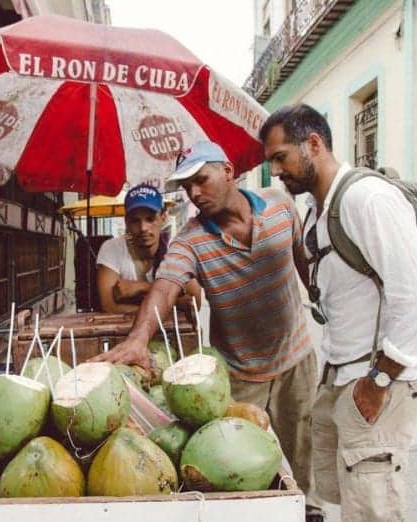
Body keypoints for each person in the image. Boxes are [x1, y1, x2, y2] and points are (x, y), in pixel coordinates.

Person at [93, 140, 324, 520]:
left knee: (300, 459)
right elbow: (165, 287)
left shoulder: (281, 207)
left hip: (295, 361)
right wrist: (137, 340)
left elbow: (300, 255)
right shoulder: (190, 240)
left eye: (201, 180)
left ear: (229, 171)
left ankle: (309, 512)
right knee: (240, 468)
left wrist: (319, 295)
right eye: (187, 188)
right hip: (237, 374)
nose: (195, 194)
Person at [260, 104, 417, 521]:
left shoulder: (367, 199)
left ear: (314, 144)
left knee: (373, 509)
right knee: (346, 497)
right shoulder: (319, 211)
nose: (275, 171)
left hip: (380, 382)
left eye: (280, 157)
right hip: (346, 377)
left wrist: (379, 379)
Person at [96, 184, 201, 314]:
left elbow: (195, 301)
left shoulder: (175, 249)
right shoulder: (112, 249)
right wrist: (174, 302)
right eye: (135, 220)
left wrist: (142, 287)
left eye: (150, 219)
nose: (143, 228)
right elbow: (109, 307)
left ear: (163, 218)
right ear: (126, 222)